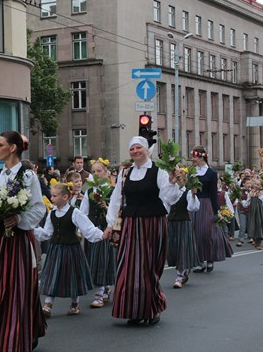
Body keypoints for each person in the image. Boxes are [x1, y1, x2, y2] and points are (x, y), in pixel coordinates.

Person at [0, 131, 47, 352]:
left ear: (13, 148)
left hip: (17, 240)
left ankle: (15, 338)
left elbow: (38, 208)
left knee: (17, 288)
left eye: (0, 145)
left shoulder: (28, 176)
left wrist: (18, 218)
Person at [104, 136, 181, 326]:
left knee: (148, 267)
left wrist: (172, 183)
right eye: (132, 148)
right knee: (128, 267)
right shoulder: (125, 173)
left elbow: (169, 198)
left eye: (139, 147)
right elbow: (117, 200)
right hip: (131, 223)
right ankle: (133, 309)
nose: (135, 151)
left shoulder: (159, 171)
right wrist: (110, 223)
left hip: (152, 223)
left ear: (146, 149)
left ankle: (152, 308)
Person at [35, 182, 104, 316]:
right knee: (52, 275)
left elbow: (88, 229)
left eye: (55, 196)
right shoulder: (52, 214)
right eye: (52, 196)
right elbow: (47, 233)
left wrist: (102, 235)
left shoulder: (75, 212)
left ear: (65, 197)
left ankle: (74, 303)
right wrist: (32, 230)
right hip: (55, 249)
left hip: (71, 249)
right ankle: (47, 305)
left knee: (73, 276)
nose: (52, 199)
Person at [79, 159, 116, 307]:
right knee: (94, 260)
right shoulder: (89, 191)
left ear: (106, 172)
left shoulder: (112, 191)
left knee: (102, 260)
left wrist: (106, 207)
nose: (96, 174)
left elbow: (117, 212)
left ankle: (99, 294)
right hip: (92, 231)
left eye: (99, 171)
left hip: (105, 230)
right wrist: (81, 229)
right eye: (93, 172)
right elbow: (83, 212)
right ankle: (105, 287)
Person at [190, 146, 232, 273]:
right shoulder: (191, 171)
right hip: (194, 203)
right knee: (195, 233)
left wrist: (216, 210)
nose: (193, 159)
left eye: (194, 157)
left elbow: (213, 193)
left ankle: (210, 259)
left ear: (201, 157)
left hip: (207, 204)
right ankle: (200, 261)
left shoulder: (212, 173)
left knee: (207, 233)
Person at [168, 186, 201, 289]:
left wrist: (193, 196)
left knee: (182, 247)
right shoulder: (169, 190)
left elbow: (193, 207)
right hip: (171, 223)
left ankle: (179, 276)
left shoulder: (187, 192)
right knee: (172, 249)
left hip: (183, 222)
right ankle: (185, 270)